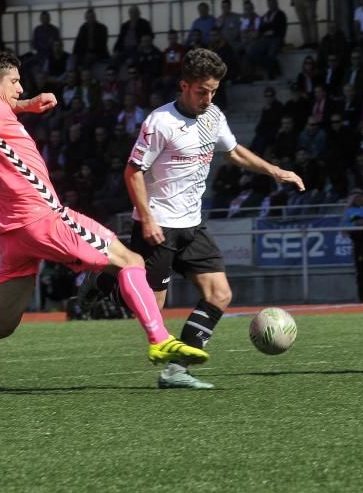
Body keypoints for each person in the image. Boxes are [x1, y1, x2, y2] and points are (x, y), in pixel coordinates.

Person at [0, 53, 209, 398]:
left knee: (0, 324)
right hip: (42, 216)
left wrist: (26, 104)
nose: (21, 87)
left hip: (14, 231)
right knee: (132, 261)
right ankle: (160, 340)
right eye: (15, 82)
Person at [123, 48, 305, 389]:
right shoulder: (160, 122)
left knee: (219, 294)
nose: (208, 98)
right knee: (152, 316)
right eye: (201, 91)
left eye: (213, 91)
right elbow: (133, 172)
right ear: (184, 85)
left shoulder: (213, 117)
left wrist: (274, 170)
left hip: (192, 225)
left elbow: (233, 151)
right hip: (158, 224)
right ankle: (103, 282)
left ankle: (177, 370)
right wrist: (146, 218)